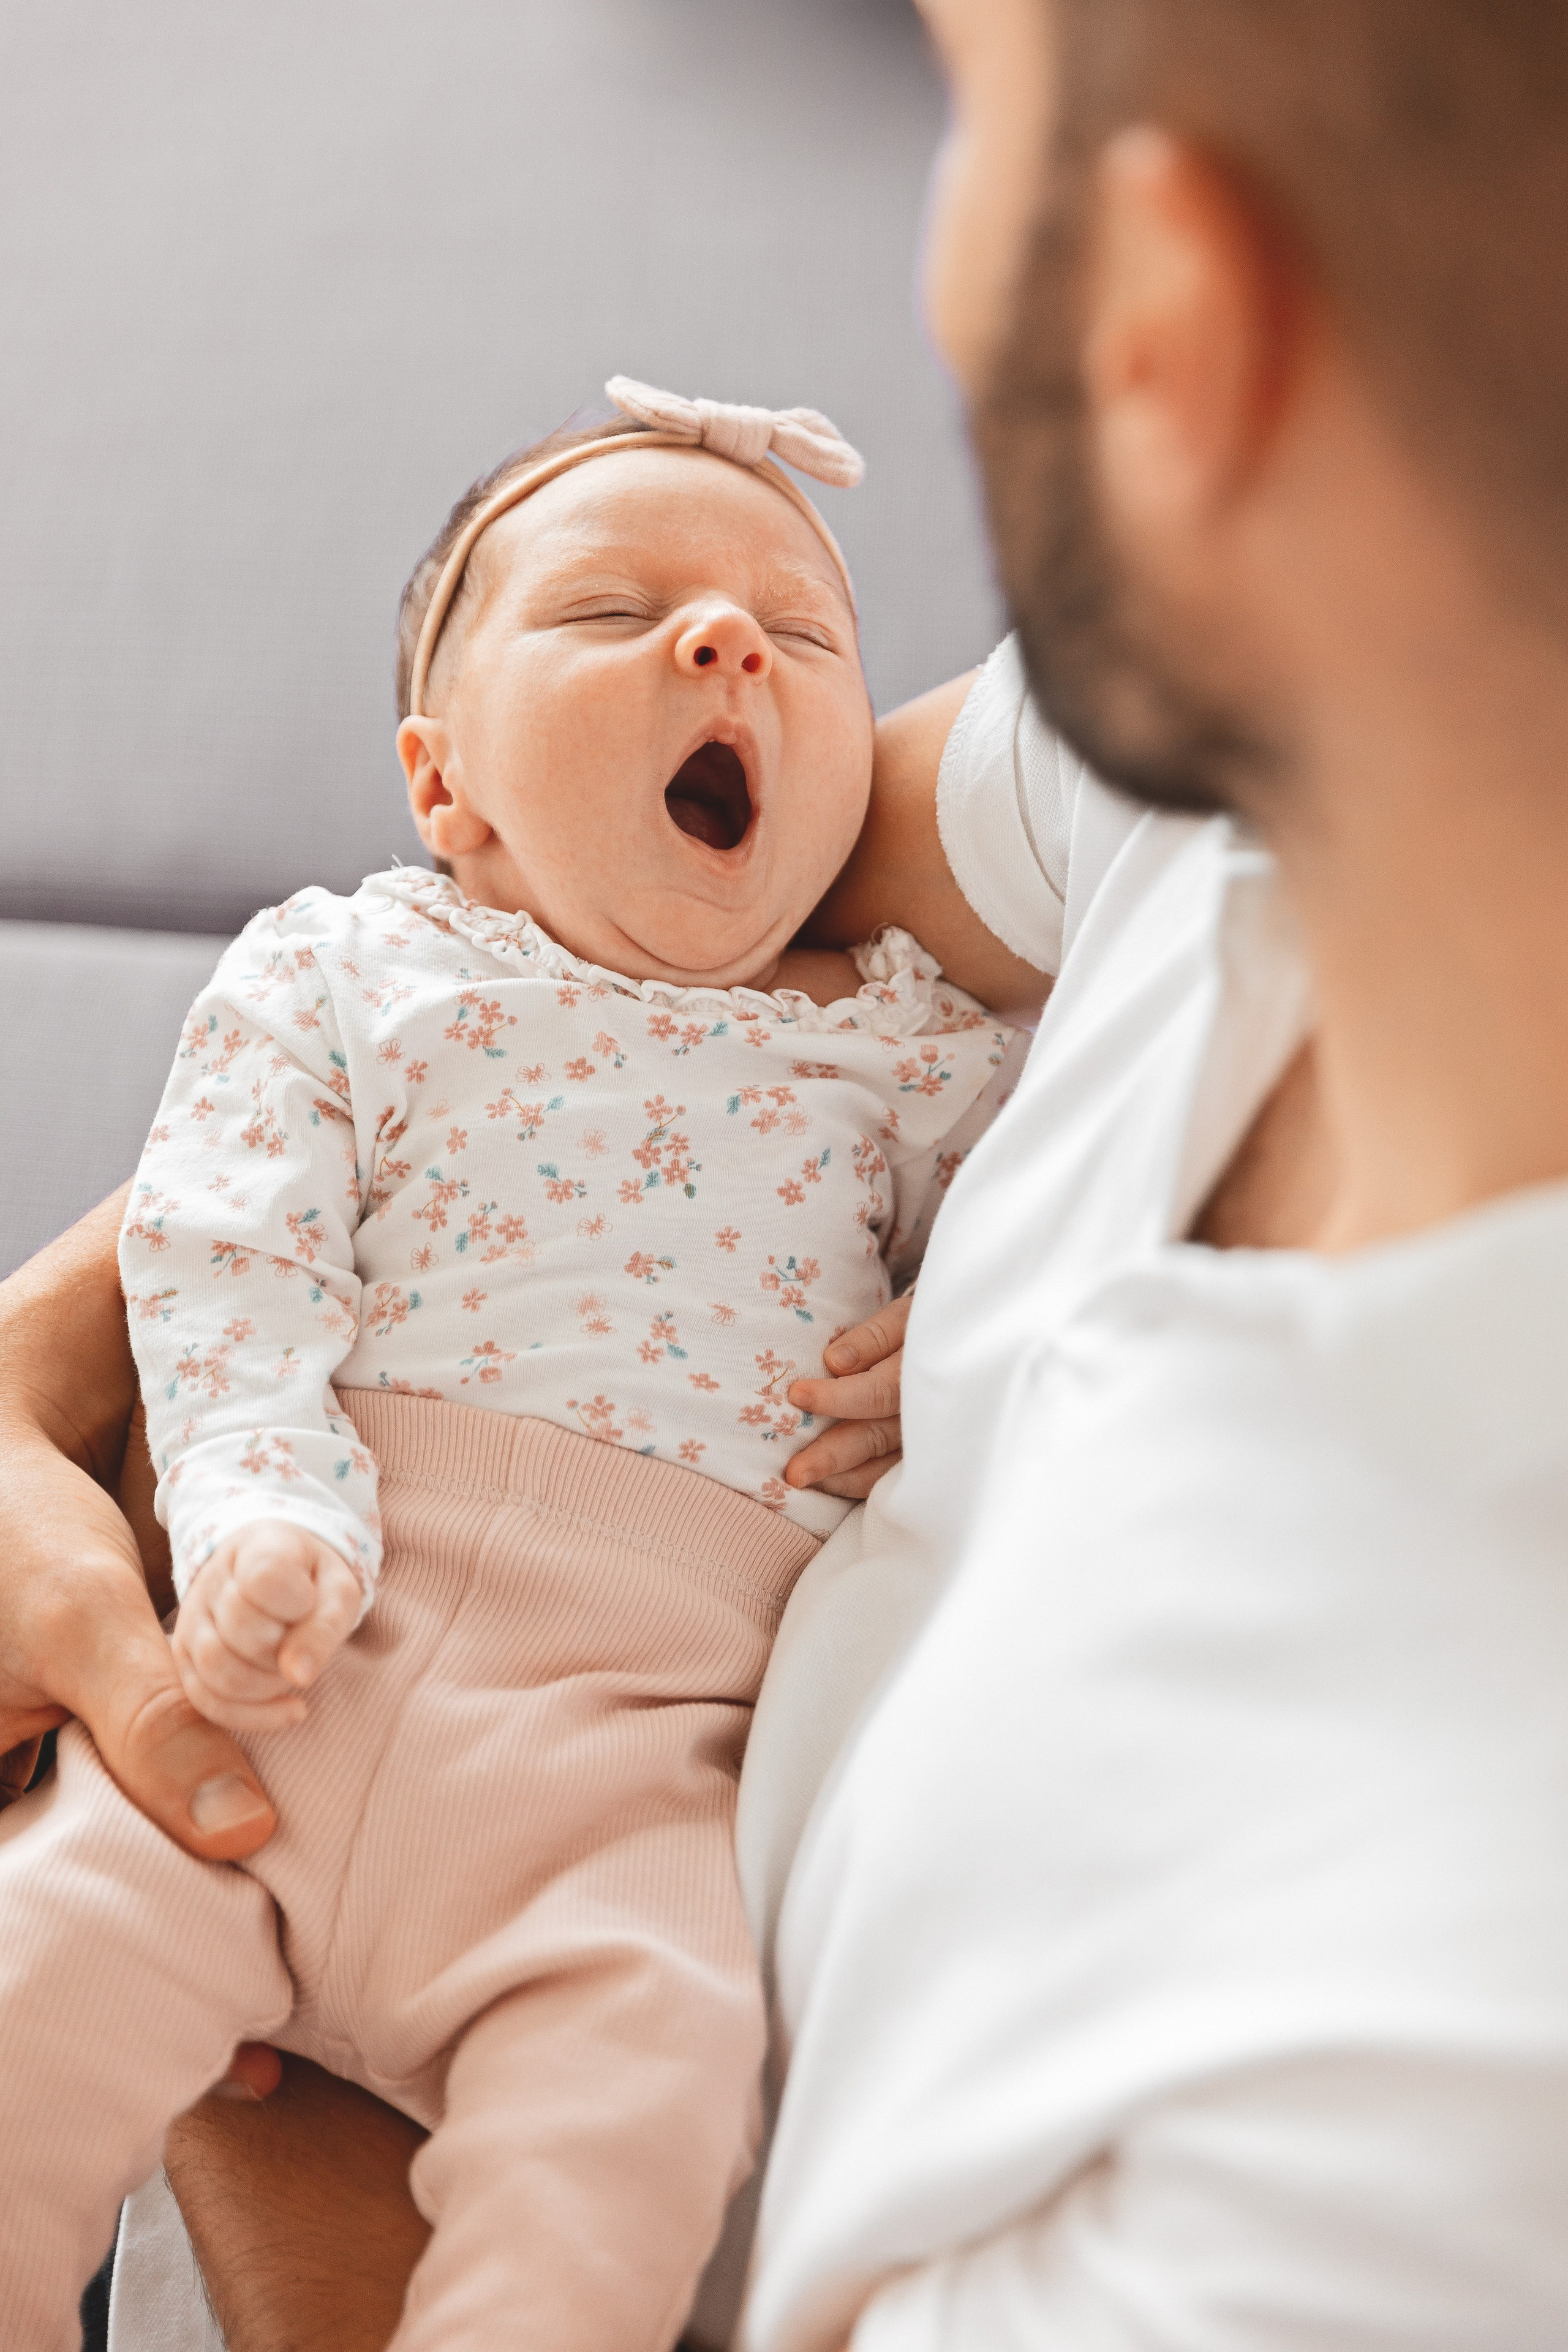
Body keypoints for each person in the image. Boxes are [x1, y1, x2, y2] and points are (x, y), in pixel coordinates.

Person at [6, 0, 1568, 2343]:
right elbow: (644, 956)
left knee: (605, 2132)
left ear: (1171, 336)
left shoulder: (1363, 2153)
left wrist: (281, 2136)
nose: (734, 638)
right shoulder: (1163, 744)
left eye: (982, 109)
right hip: (308, 1609)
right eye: (625, 618)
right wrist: (59, 1377)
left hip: (628, 1812)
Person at [0, 379, 1013, 2352]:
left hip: (636, 1762)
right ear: (445, 787)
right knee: (35, 1991)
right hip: (291, 1664)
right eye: (611, 611)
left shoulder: (909, 1044)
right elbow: (227, 1248)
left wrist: (974, 1328)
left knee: (647, 2105)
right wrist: (257, 1493)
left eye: (801, 637)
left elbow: (1080, 1200)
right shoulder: (343, 972)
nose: (724, 640)